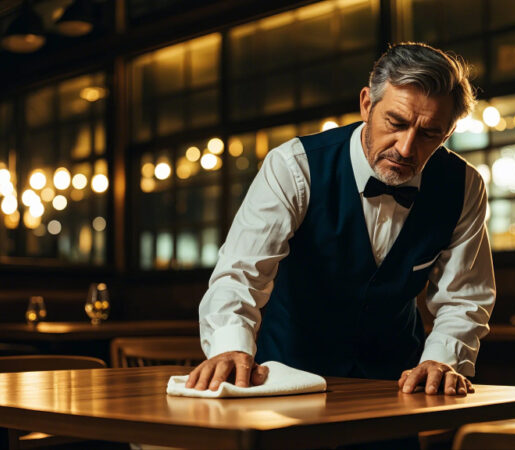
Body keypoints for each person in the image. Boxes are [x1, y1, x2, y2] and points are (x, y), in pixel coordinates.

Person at [187, 42, 496, 398]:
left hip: (395, 386)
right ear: (367, 104)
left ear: (449, 131)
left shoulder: (463, 186)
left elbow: (464, 298)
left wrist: (444, 360)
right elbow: (241, 272)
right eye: (395, 122)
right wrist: (229, 346)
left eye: (429, 134)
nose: (407, 148)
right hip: (288, 380)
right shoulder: (294, 166)